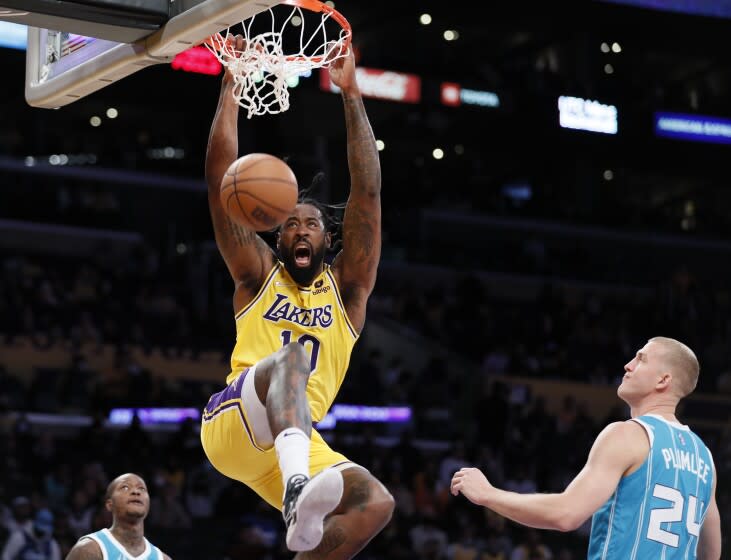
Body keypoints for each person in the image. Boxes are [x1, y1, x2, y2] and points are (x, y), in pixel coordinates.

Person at [201, 35, 394, 557]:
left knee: (374, 503)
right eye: (289, 225)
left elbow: (367, 192)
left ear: (328, 241)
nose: (301, 230)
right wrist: (231, 83)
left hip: (297, 444)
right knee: (288, 360)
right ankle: (297, 490)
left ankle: (301, 507)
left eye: (311, 223)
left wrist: (350, 90)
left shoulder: (348, 290)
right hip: (236, 422)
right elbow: (221, 180)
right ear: (275, 238)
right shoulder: (256, 274)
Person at [451, 336, 722, 559]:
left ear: (663, 380)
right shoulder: (705, 458)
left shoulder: (628, 434)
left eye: (641, 359)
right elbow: (711, 552)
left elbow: (566, 514)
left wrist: (488, 494)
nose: (628, 365)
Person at [65, 473, 171, 560]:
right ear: (109, 504)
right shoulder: (89, 549)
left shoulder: (162, 558)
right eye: (125, 487)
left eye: (142, 488)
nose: (136, 491)